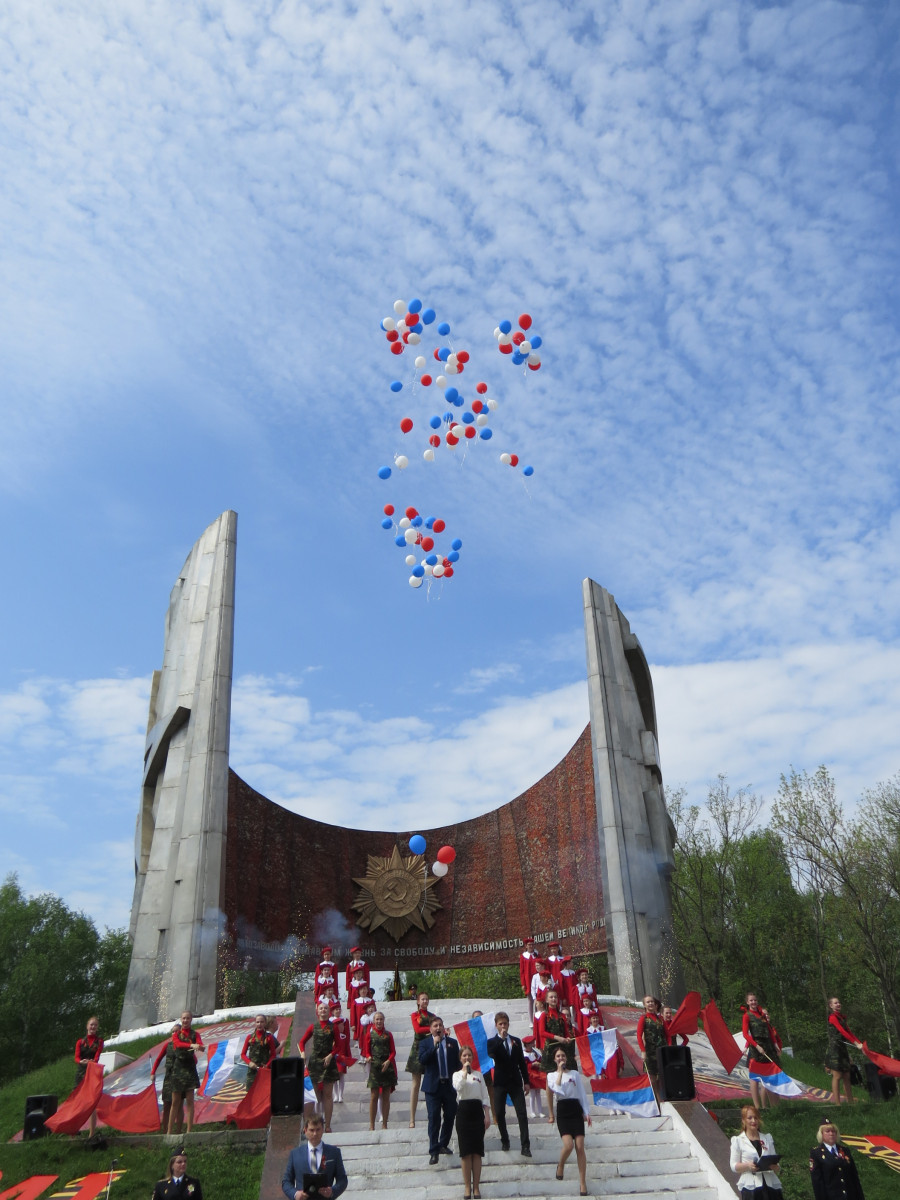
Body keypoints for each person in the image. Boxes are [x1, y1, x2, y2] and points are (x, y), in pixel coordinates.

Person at [547, 1046, 592, 1196]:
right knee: (568, 1145)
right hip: (563, 1110)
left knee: (580, 1146)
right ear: (555, 1059)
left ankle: (582, 1183)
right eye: (558, 1056)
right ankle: (560, 1165)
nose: (561, 1058)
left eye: (563, 1056)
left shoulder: (574, 1074)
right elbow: (557, 1089)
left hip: (575, 1109)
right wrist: (559, 1072)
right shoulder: (551, 1076)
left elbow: (581, 1093)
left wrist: (586, 1112)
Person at [486, 1011, 532, 1157]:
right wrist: (501, 1038)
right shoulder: (492, 1042)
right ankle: (504, 1139)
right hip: (500, 1082)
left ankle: (525, 1145)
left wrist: (526, 1081)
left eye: (505, 1023)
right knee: (499, 1113)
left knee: (522, 1113)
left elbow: (521, 1063)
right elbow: (492, 1054)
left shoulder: (516, 1041)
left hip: (515, 1081)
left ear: (508, 1024)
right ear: (496, 1025)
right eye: (500, 1024)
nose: (503, 1026)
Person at [418, 1016, 460, 1165]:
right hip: (432, 1087)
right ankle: (433, 1151)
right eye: (435, 1026)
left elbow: (457, 1064)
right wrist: (433, 1046)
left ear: (443, 1027)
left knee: (450, 1115)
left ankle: (443, 1144)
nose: (438, 1028)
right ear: (430, 1029)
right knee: (434, 1118)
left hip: (448, 1086)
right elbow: (422, 1060)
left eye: (440, 1025)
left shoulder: (452, 1043)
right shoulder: (425, 1043)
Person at [453, 1045, 491, 1200]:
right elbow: (458, 1088)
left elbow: (484, 1096)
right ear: (460, 1058)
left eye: (469, 1056)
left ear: (473, 1058)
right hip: (463, 1111)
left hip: (477, 1112)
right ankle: (467, 1187)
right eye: (464, 1056)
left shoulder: (479, 1075)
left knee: (477, 1151)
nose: (467, 1058)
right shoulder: (456, 1074)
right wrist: (464, 1073)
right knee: (466, 1152)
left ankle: (476, 1187)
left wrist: (487, 1114)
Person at [281, 1113, 348, 1200]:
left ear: (323, 1129)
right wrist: (295, 1194)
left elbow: (342, 1180)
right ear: (305, 1130)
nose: (315, 1134)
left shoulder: (334, 1152)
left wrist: (332, 1191)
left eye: (318, 1130)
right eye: (311, 1130)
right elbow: (286, 1181)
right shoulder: (295, 1154)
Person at [299, 1001, 341, 1132]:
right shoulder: (313, 1026)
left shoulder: (333, 1027)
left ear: (329, 1012)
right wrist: (303, 1053)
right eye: (321, 1008)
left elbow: (339, 1046)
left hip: (328, 1063)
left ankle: (327, 1125)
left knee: (328, 1095)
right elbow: (301, 1042)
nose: (323, 1010)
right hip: (315, 1063)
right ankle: (308, 1125)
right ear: (317, 1011)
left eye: (325, 1009)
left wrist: (331, 1055)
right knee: (313, 1094)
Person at [730, 1104, 782, 1197]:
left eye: (756, 1118)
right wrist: (747, 1165)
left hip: (770, 1185)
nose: (753, 1121)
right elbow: (733, 1166)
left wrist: (776, 1167)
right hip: (751, 1187)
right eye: (749, 1118)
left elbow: (775, 1161)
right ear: (743, 1121)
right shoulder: (738, 1140)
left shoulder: (767, 1138)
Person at [742, 994, 782, 1110]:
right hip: (756, 1048)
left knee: (769, 1075)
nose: (753, 1002)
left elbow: (770, 1031)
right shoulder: (746, 1016)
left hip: (767, 1047)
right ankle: (757, 1107)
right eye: (751, 1000)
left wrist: (775, 1045)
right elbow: (745, 1034)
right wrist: (756, 1046)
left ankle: (774, 1106)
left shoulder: (762, 1015)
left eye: (755, 1000)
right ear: (748, 1002)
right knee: (754, 1077)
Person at [540, 989, 575, 1123]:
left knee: (567, 1075)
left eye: (555, 997)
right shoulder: (544, 1015)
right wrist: (557, 1038)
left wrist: (568, 1038)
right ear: (547, 1000)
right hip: (550, 1050)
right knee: (549, 1082)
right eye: (551, 997)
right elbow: (542, 1032)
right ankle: (550, 1113)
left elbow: (567, 1032)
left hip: (562, 1049)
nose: (554, 999)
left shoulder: (561, 1016)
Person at [810, 1119, 866, 1200]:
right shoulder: (816, 1153)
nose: (831, 1134)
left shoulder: (845, 1150)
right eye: (827, 1131)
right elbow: (817, 1182)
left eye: (833, 1131)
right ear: (821, 1134)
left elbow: (854, 1177)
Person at [405, 991, 437, 1129]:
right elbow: (417, 1029)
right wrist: (432, 1029)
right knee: (415, 1084)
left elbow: (437, 1028)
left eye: (427, 999)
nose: (425, 1001)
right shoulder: (415, 1015)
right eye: (422, 999)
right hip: (418, 1049)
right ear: (418, 1001)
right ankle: (412, 1118)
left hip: (430, 1048)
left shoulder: (432, 1016)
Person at [169, 1012, 204, 1135]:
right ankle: (169, 1132)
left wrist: (200, 1047)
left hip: (189, 1068)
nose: (185, 1020)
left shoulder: (195, 1034)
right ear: (181, 1019)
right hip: (178, 1068)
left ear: (191, 1020)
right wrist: (191, 1045)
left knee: (190, 1101)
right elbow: (178, 1044)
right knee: (175, 1102)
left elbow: (200, 1044)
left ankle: (189, 1131)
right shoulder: (176, 1034)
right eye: (183, 1018)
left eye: (188, 1018)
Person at [824, 998, 863, 1106]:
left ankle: (850, 1103)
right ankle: (838, 1104)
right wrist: (855, 1043)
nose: (838, 1004)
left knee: (847, 1075)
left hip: (843, 1049)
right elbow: (841, 1031)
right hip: (835, 1049)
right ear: (831, 1006)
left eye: (839, 1002)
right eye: (835, 1003)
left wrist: (860, 1044)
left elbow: (849, 1032)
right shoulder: (832, 1018)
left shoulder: (842, 1018)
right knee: (837, 1076)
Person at [366, 1012, 397, 1131]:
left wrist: (389, 1061)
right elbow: (367, 1050)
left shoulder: (388, 1034)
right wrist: (368, 1057)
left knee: (386, 1096)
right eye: (377, 1019)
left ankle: (384, 1124)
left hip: (387, 1067)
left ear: (384, 1020)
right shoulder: (370, 1034)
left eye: (381, 1019)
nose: (379, 1021)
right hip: (375, 1067)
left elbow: (393, 1051)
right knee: (374, 1096)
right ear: (373, 1021)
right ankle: (372, 1125)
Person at [74, 1016, 103, 1135]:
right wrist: (81, 1062)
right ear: (87, 1026)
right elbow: (76, 1057)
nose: (93, 1027)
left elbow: (97, 1057)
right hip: (81, 1072)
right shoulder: (80, 1042)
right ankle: (74, 1130)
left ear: (97, 1028)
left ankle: (92, 1133)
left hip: (92, 1072)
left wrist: (91, 1062)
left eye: (95, 1025)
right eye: (91, 1025)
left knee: (92, 1103)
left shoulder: (99, 1042)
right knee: (77, 1102)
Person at [152, 1023, 182, 1132]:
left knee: (178, 1105)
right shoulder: (168, 1045)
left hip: (179, 1077)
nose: (174, 1033)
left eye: (177, 1031)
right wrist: (152, 1072)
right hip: (169, 1077)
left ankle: (178, 1130)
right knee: (166, 1104)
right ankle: (165, 1131)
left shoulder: (183, 1045)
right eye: (173, 1031)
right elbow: (158, 1059)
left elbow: (194, 1059)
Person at [636, 996, 665, 1103]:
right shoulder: (644, 1018)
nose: (650, 1004)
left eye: (652, 1002)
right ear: (644, 1005)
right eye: (648, 1002)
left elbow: (666, 1034)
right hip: (650, 1052)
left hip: (661, 1051)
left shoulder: (659, 1019)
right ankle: (657, 1102)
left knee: (660, 1078)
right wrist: (643, 1051)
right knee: (652, 1079)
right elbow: (639, 1036)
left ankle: (661, 1100)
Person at [241, 1013, 278, 1083]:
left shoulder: (269, 1037)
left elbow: (273, 1055)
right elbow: (242, 1054)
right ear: (255, 1023)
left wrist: (267, 1065)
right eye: (257, 1022)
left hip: (264, 1070)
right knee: (251, 1092)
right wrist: (249, 1063)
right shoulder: (249, 1037)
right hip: (252, 1071)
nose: (259, 1024)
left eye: (262, 1022)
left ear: (265, 1023)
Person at [519, 936, 538, 1019]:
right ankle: (531, 1020)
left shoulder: (537, 955)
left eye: (532, 944)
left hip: (537, 979)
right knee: (530, 1000)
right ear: (526, 946)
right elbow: (522, 971)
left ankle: (537, 1018)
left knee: (537, 1000)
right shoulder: (523, 956)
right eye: (529, 945)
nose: (531, 946)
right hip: (528, 979)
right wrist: (523, 983)